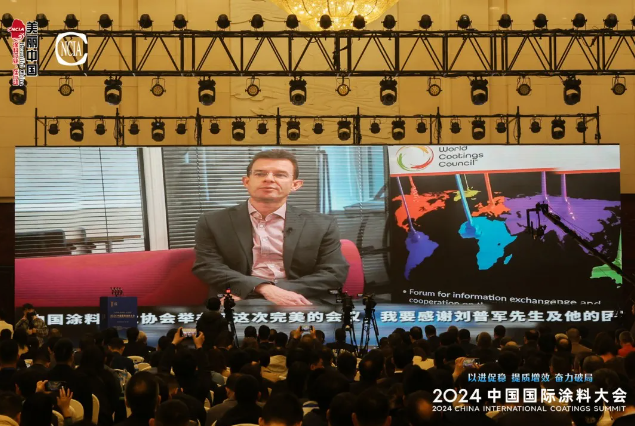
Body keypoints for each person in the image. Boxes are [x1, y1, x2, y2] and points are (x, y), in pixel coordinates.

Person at [192, 149, 350, 306]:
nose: (269, 179)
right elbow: (208, 267)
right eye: (260, 174)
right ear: (246, 182)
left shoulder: (322, 224)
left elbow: (334, 272)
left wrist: (274, 291)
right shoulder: (213, 222)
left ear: (295, 185)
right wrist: (261, 288)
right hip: (238, 298)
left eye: (280, 175)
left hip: (301, 297)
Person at [47, 338, 94, 422]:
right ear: (72, 357)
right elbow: (88, 411)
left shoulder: (45, 378)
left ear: (54, 356)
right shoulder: (82, 379)